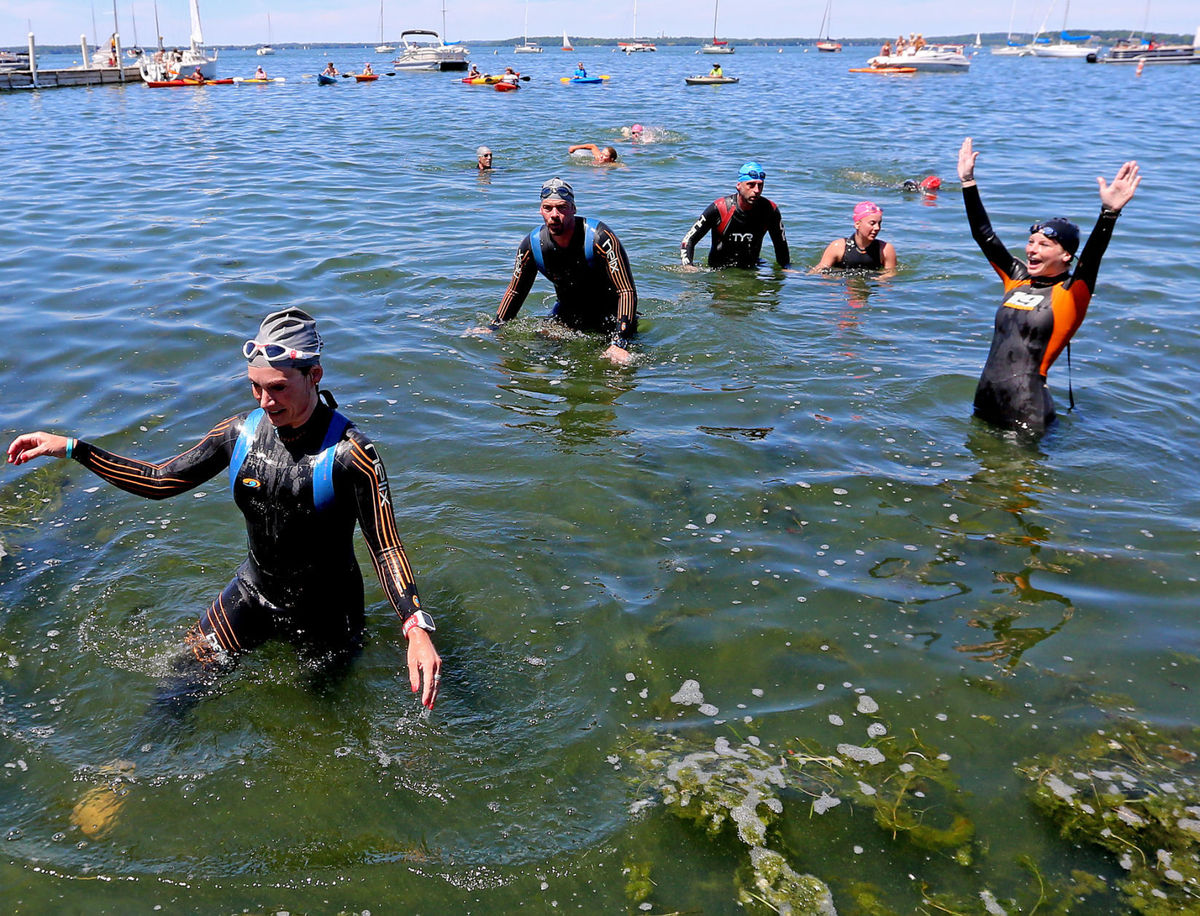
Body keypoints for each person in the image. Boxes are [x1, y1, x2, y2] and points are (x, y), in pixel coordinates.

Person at [7, 309, 443, 835]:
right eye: (256, 387)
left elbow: (386, 546)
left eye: (278, 388)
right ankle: (124, 772)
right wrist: (75, 449)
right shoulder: (241, 433)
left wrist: (415, 627)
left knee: (320, 723)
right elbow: (160, 480)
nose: (265, 401)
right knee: (176, 688)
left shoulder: (353, 455)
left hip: (328, 614)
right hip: (254, 593)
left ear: (315, 375)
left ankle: (346, 815)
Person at [957, 136, 1141, 434]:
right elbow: (984, 234)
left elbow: (1093, 255)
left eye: (1044, 245)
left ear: (1066, 255)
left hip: (1026, 410)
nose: (1032, 250)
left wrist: (1109, 213)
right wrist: (968, 182)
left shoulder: (1072, 292)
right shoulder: (1016, 278)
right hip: (985, 402)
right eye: (1031, 242)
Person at [485, 178, 637, 365]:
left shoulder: (600, 238)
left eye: (562, 208)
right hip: (567, 315)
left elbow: (626, 291)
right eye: (548, 208)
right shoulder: (532, 245)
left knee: (617, 368)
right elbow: (516, 291)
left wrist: (620, 341)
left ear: (574, 209)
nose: (554, 215)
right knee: (533, 357)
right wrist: (494, 327)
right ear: (541, 210)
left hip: (611, 317)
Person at [681, 161, 791, 270]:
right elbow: (688, 240)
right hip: (719, 271)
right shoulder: (720, 208)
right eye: (751, 185)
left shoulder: (770, 210)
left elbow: (781, 246)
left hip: (751, 269)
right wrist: (688, 265)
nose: (756, 190)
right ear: (738, 186)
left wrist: (786, 268)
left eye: (760, 185)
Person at [813, 201, 897, 271]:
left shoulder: (885, 249)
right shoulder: (838, 247)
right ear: (857, 224)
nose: (877, 228)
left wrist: (880, 279)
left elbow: (890, 275)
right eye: (872, 223)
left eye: (879, 223)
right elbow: (820, 271)